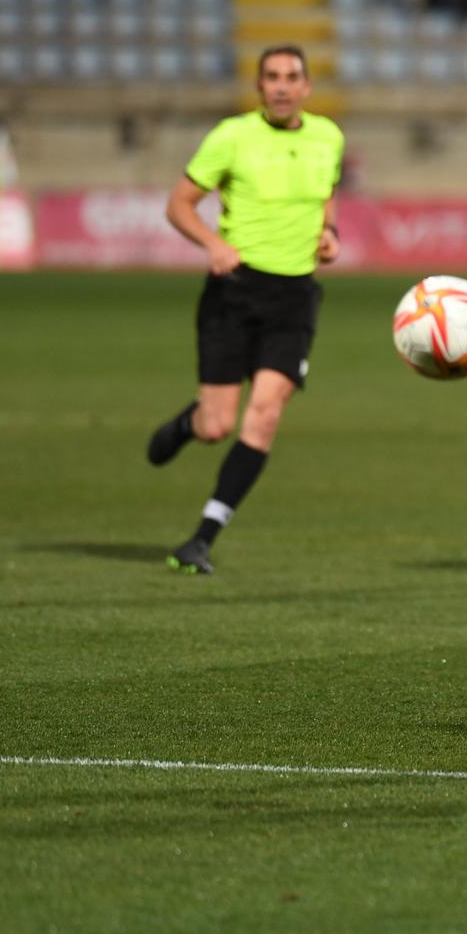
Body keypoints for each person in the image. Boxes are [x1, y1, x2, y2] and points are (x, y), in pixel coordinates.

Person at [145, 46, 344, 574]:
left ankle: (202, 538)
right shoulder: (231, 136)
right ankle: (189, 425)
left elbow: (325, 198)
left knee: (266, 412)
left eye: (291, 77)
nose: (281, 86)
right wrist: (212, 244)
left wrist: (330, 233)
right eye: (272, 77)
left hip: (295, 296)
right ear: (259, 87)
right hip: (234, 291)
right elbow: (178, 204)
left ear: (306, 86)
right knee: (216, 425)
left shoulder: (328, 137)